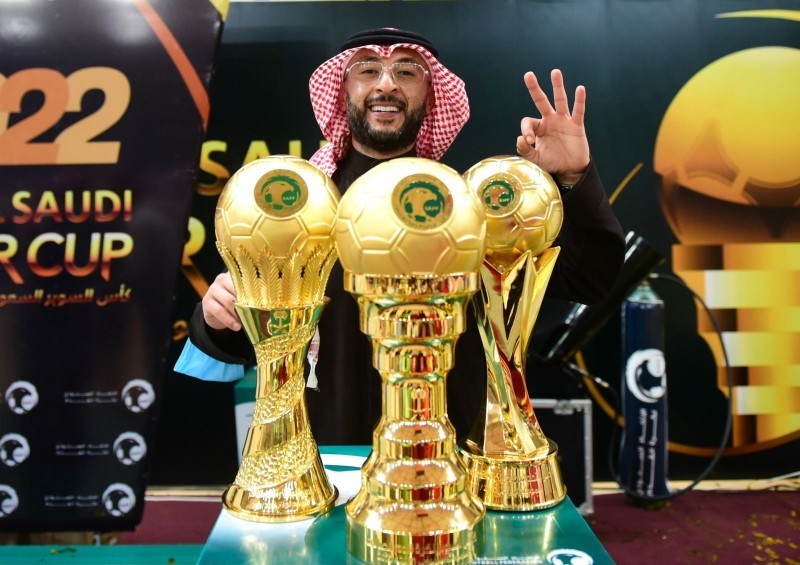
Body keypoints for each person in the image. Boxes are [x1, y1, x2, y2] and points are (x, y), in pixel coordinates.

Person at [175, 28, 625, 445]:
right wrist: (219, 314)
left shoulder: (465, 207)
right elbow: (241, 344)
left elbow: (587, 280)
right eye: (368, 70)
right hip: (326, 465)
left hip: (446, 468)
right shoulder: (301, 211)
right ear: (342, 89)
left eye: (407, 72)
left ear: (431, 94)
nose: (386, 84)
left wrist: (573, 176)